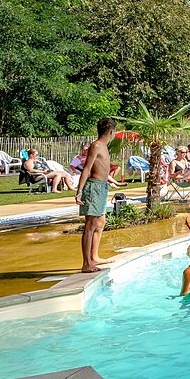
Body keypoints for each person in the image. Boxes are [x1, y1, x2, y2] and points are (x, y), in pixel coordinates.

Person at [76, 117, 117, 273]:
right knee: (90, 225)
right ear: (111, 131)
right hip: (93, 187)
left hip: (101, 187)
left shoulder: (104, 147)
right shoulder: (96, 146)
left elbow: (103, 168)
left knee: (100, 223)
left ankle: (94, 257)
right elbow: (86, 168)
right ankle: (86, 264)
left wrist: (113, 182)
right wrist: (79, 191)